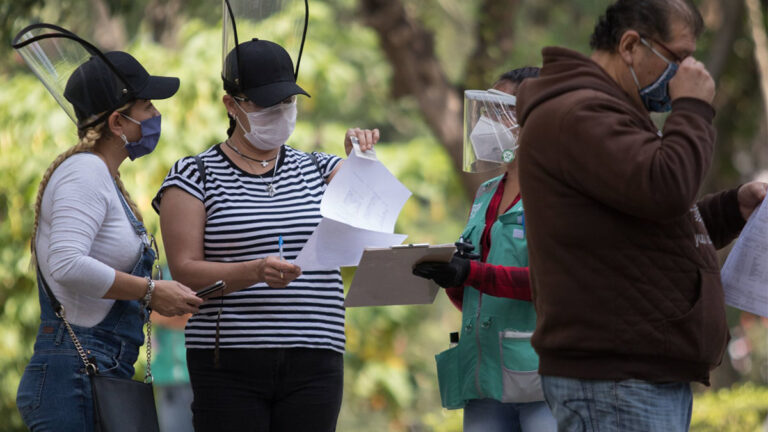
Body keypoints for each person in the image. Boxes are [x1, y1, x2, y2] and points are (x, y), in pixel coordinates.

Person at [515, 1, 768, 430]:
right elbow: (666, 188)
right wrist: (692, 110)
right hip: (616, 378)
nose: (689, 72)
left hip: (636, 375)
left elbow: (650, 221)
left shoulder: (607, 112)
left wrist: (731, 209)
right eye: (679, 58)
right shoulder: (579, 113)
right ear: (631, 45)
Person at [153, 38, 378, 432]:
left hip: (315, 356)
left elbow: (371, 232)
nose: (280, 113)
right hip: (228, 359)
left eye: (287, 103)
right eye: (265, 105)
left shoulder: (321, 168)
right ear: (231, 104)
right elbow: (184, 270)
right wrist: (254, 271)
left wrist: (361, 162)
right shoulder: (194, 175)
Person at [13, 26, 202, 432]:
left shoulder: (102, 175)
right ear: (119, 120)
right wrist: (151, 291)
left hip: (97, 370)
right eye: (148, 106)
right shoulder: (84, 172)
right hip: (73, 377)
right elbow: (66, 264)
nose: (155, 117)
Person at [413, 67, 556, 432]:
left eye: (498, 113)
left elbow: (554, 284)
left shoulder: (560, 194)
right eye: (485, 112)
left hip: (542, 380)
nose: (484, 125)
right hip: (484, 376)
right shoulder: (486, 192)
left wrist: (471, 273)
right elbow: (475, 296)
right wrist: (451, 277)